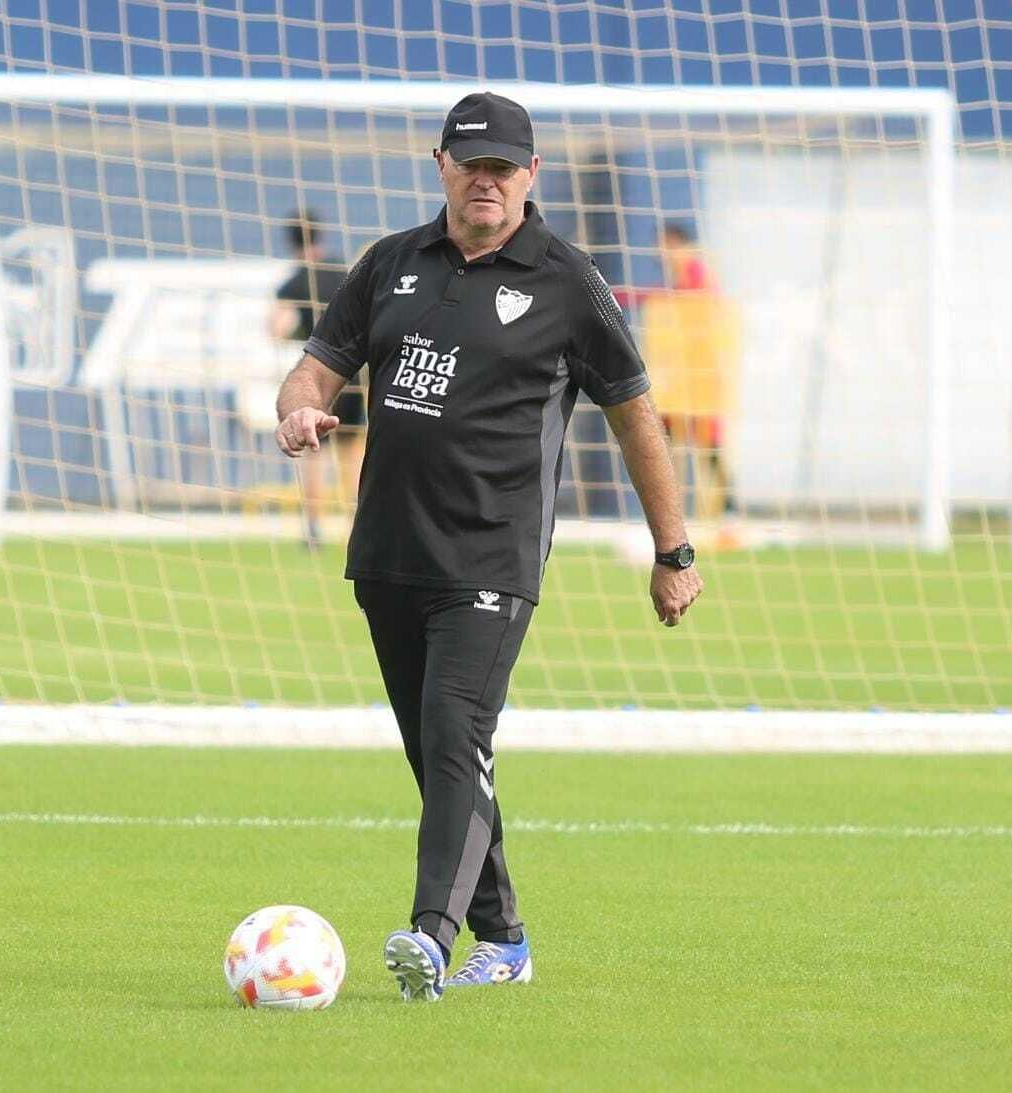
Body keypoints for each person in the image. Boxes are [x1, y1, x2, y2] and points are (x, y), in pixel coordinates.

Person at [274, 92, 703, 1002]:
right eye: (471, 165)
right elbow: (317, 366)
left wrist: (674, 552)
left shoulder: (569, 281)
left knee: (454, 728)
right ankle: (504, 939)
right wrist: (301, 409)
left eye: (503, 168)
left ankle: (431, 936)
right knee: (441, 753)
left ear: (530, 174)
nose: (487, 182)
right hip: (387, 554)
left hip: (491, 559)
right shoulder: (389, 264)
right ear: (440, 166)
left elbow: (636, 417)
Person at [269, 211, 362, 547]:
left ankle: (313, 527)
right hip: (353, 373)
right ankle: (357, 526)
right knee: (353, 452)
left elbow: (276, 329)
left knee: (314, 451)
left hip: (319, 374)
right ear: (320, 236)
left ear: (291, 242)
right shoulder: (343, 271)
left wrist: (301, 332)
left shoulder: (295, 282)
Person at [638, 221, 739, 518]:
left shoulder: (694, 271)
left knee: (705, 439)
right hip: (683, 373)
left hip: (699, 372)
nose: (659, 250)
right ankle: (671, 504)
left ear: (676, 242)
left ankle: (727, 505)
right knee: (668, 433)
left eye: (664, 243)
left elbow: (696, 307)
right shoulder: (681, 275)